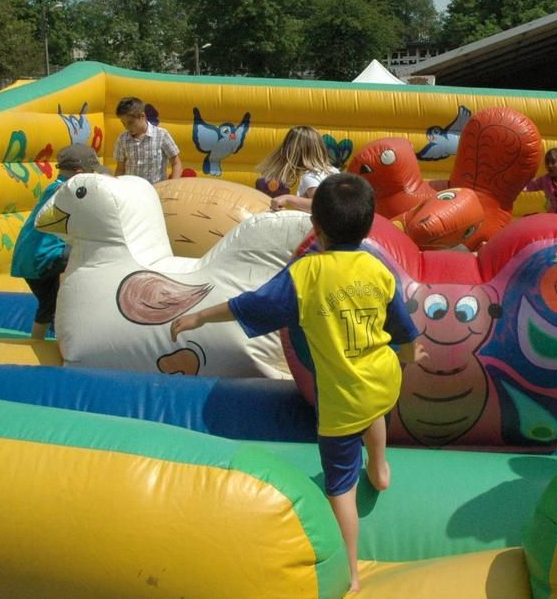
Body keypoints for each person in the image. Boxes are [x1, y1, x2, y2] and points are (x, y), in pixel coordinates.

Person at [170, 173, 421, 592]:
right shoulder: (377, 268)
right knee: (376, 410)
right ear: (368, 224)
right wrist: (413, 356)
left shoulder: (305, 274)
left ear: (316, 229)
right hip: (383, 375)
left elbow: (248, 304)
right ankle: (379, 468)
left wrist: (198, 315)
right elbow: (403, 328)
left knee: (340, 485)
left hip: (342, 399)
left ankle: (353, 572)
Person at [11, 144, 107, 340]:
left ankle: (40, 342)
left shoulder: (56, 187)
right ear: (79, 174)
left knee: (50, 304)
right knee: (95, 255)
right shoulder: (67, 191)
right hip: (43, 256)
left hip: (31, 256)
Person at [257, 125, 337, 213]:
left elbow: (321, 204)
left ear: (291, 152)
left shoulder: (310, 177)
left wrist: (288, 199)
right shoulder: (333, 171)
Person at [113, 96, 183, 182]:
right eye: (123, 123)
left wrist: (173, 185)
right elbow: (120, 169)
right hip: (131, 190)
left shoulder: (161, 135)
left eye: (130, 122)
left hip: (156, 190)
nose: (127, 127)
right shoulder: (122, 140)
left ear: (142, 116)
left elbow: (176, 163)